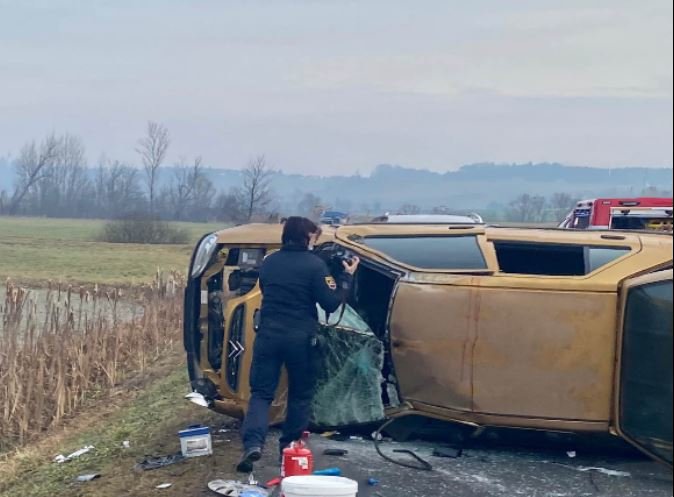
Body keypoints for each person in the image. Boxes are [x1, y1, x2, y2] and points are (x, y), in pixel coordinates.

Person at [236, 217, 360, 473]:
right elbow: (331, 303)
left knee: (261, 394)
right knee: (299, 395)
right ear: (306, 237)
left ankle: (252, 444)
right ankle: (288, 448)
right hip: (301, 340)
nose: (315, 242)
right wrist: (345, 277)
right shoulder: (315, 266)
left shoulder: (269, 262)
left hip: (268, 337)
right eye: (314, 237)